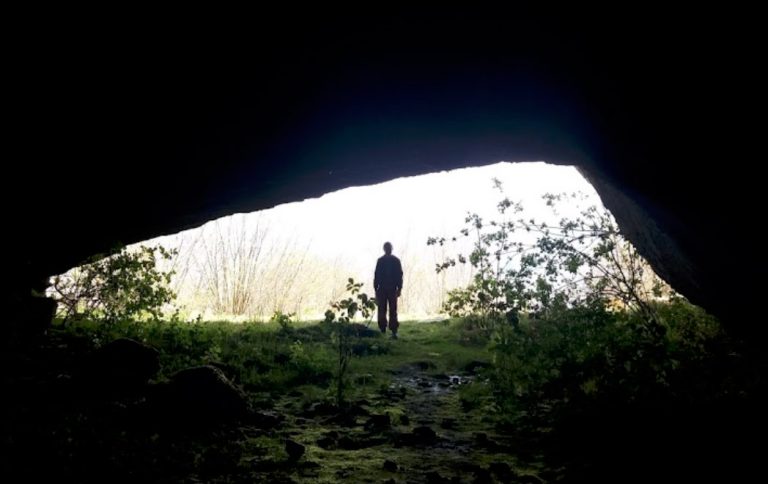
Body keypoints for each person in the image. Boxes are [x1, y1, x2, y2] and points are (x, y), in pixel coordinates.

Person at [374, 241, 403, 338]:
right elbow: (376, 275)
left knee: (392, 310)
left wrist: (399, 288)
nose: (388, 250)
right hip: (383, 289)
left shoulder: (395, 261)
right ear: (385, 249)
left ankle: (393, 331)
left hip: (391, 289)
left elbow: (399, 275)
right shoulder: (381, 261)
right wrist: (376, 289)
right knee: (382, 309)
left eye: (389, 248)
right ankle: (383, 329)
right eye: (387, 248)